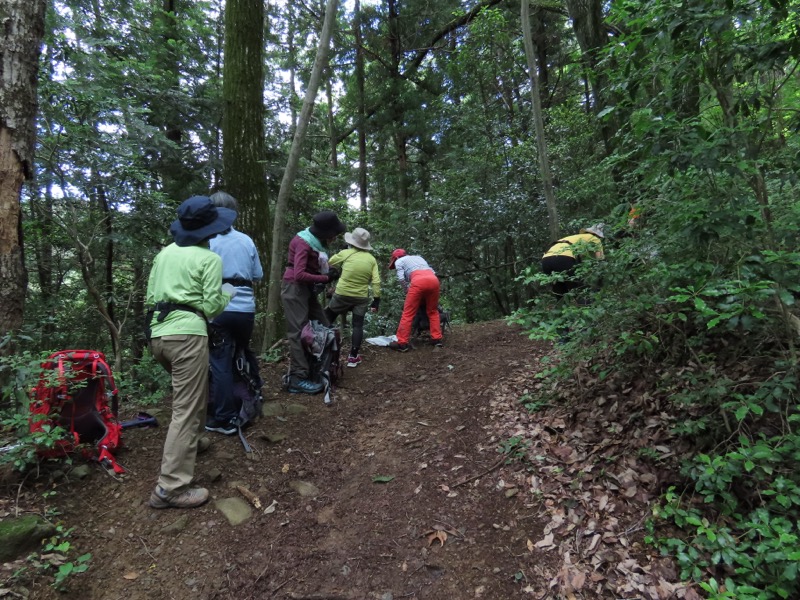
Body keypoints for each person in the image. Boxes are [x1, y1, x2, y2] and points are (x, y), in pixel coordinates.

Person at [145, 195, 237, 509]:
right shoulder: (209, 259)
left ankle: (193, 442)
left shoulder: (165, 253)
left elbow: (151, 295)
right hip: (187, 336)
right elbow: (211, 306)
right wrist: (228, 293)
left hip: (158, 334)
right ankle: (169, 488)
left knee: (192, 395)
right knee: (185, 407)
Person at [205, 191, 264, 435]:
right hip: (245, 308)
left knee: (220, 361)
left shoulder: (207, 240)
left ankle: (223, 416)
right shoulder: (246, 240)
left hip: (219, 308)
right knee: (244, 349)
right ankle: (256, 393)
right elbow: (258, 274)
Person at [281, 210, 346, 393]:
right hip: (294, 288)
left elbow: (313, 267)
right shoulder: (303, 242)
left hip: (306, 290)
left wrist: (330, 272)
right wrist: (325, 279)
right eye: (333, 233)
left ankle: (321, 369)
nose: (334, 237)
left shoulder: (316, 243)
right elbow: (299, 274)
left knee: (325, 325)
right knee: (298, 331)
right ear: (326, 232)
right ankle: (298, 378)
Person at [323, 227, 381, 368]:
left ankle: (322, 348)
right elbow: (376, 281)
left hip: (342, 294)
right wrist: (376, 300)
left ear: (352, 242)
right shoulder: (371, 259)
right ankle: (353, 357)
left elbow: (328, 262)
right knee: (358, 325)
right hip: (361, 297)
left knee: (326, 316)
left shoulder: (346, 253)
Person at [387, 249, 443, 352]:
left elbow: (400, 278)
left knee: (408, 314)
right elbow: (432, 272)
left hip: (418, 282)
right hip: (434, 280)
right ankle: (437, 339)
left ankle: (402, 343)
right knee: (433, 311)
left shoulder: (399, 261)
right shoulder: (418, 257)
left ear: (396, 258)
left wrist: (406, 290)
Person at [541, 223, 605, 299]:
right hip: (563, 258)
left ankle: (562, 307)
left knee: (560, 290)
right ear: (598, 235)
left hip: (545, 259)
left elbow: (581, 261)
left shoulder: (574, 238)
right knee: (579, 289)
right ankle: (585, 305)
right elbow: (600, 260)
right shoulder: (595, 238)